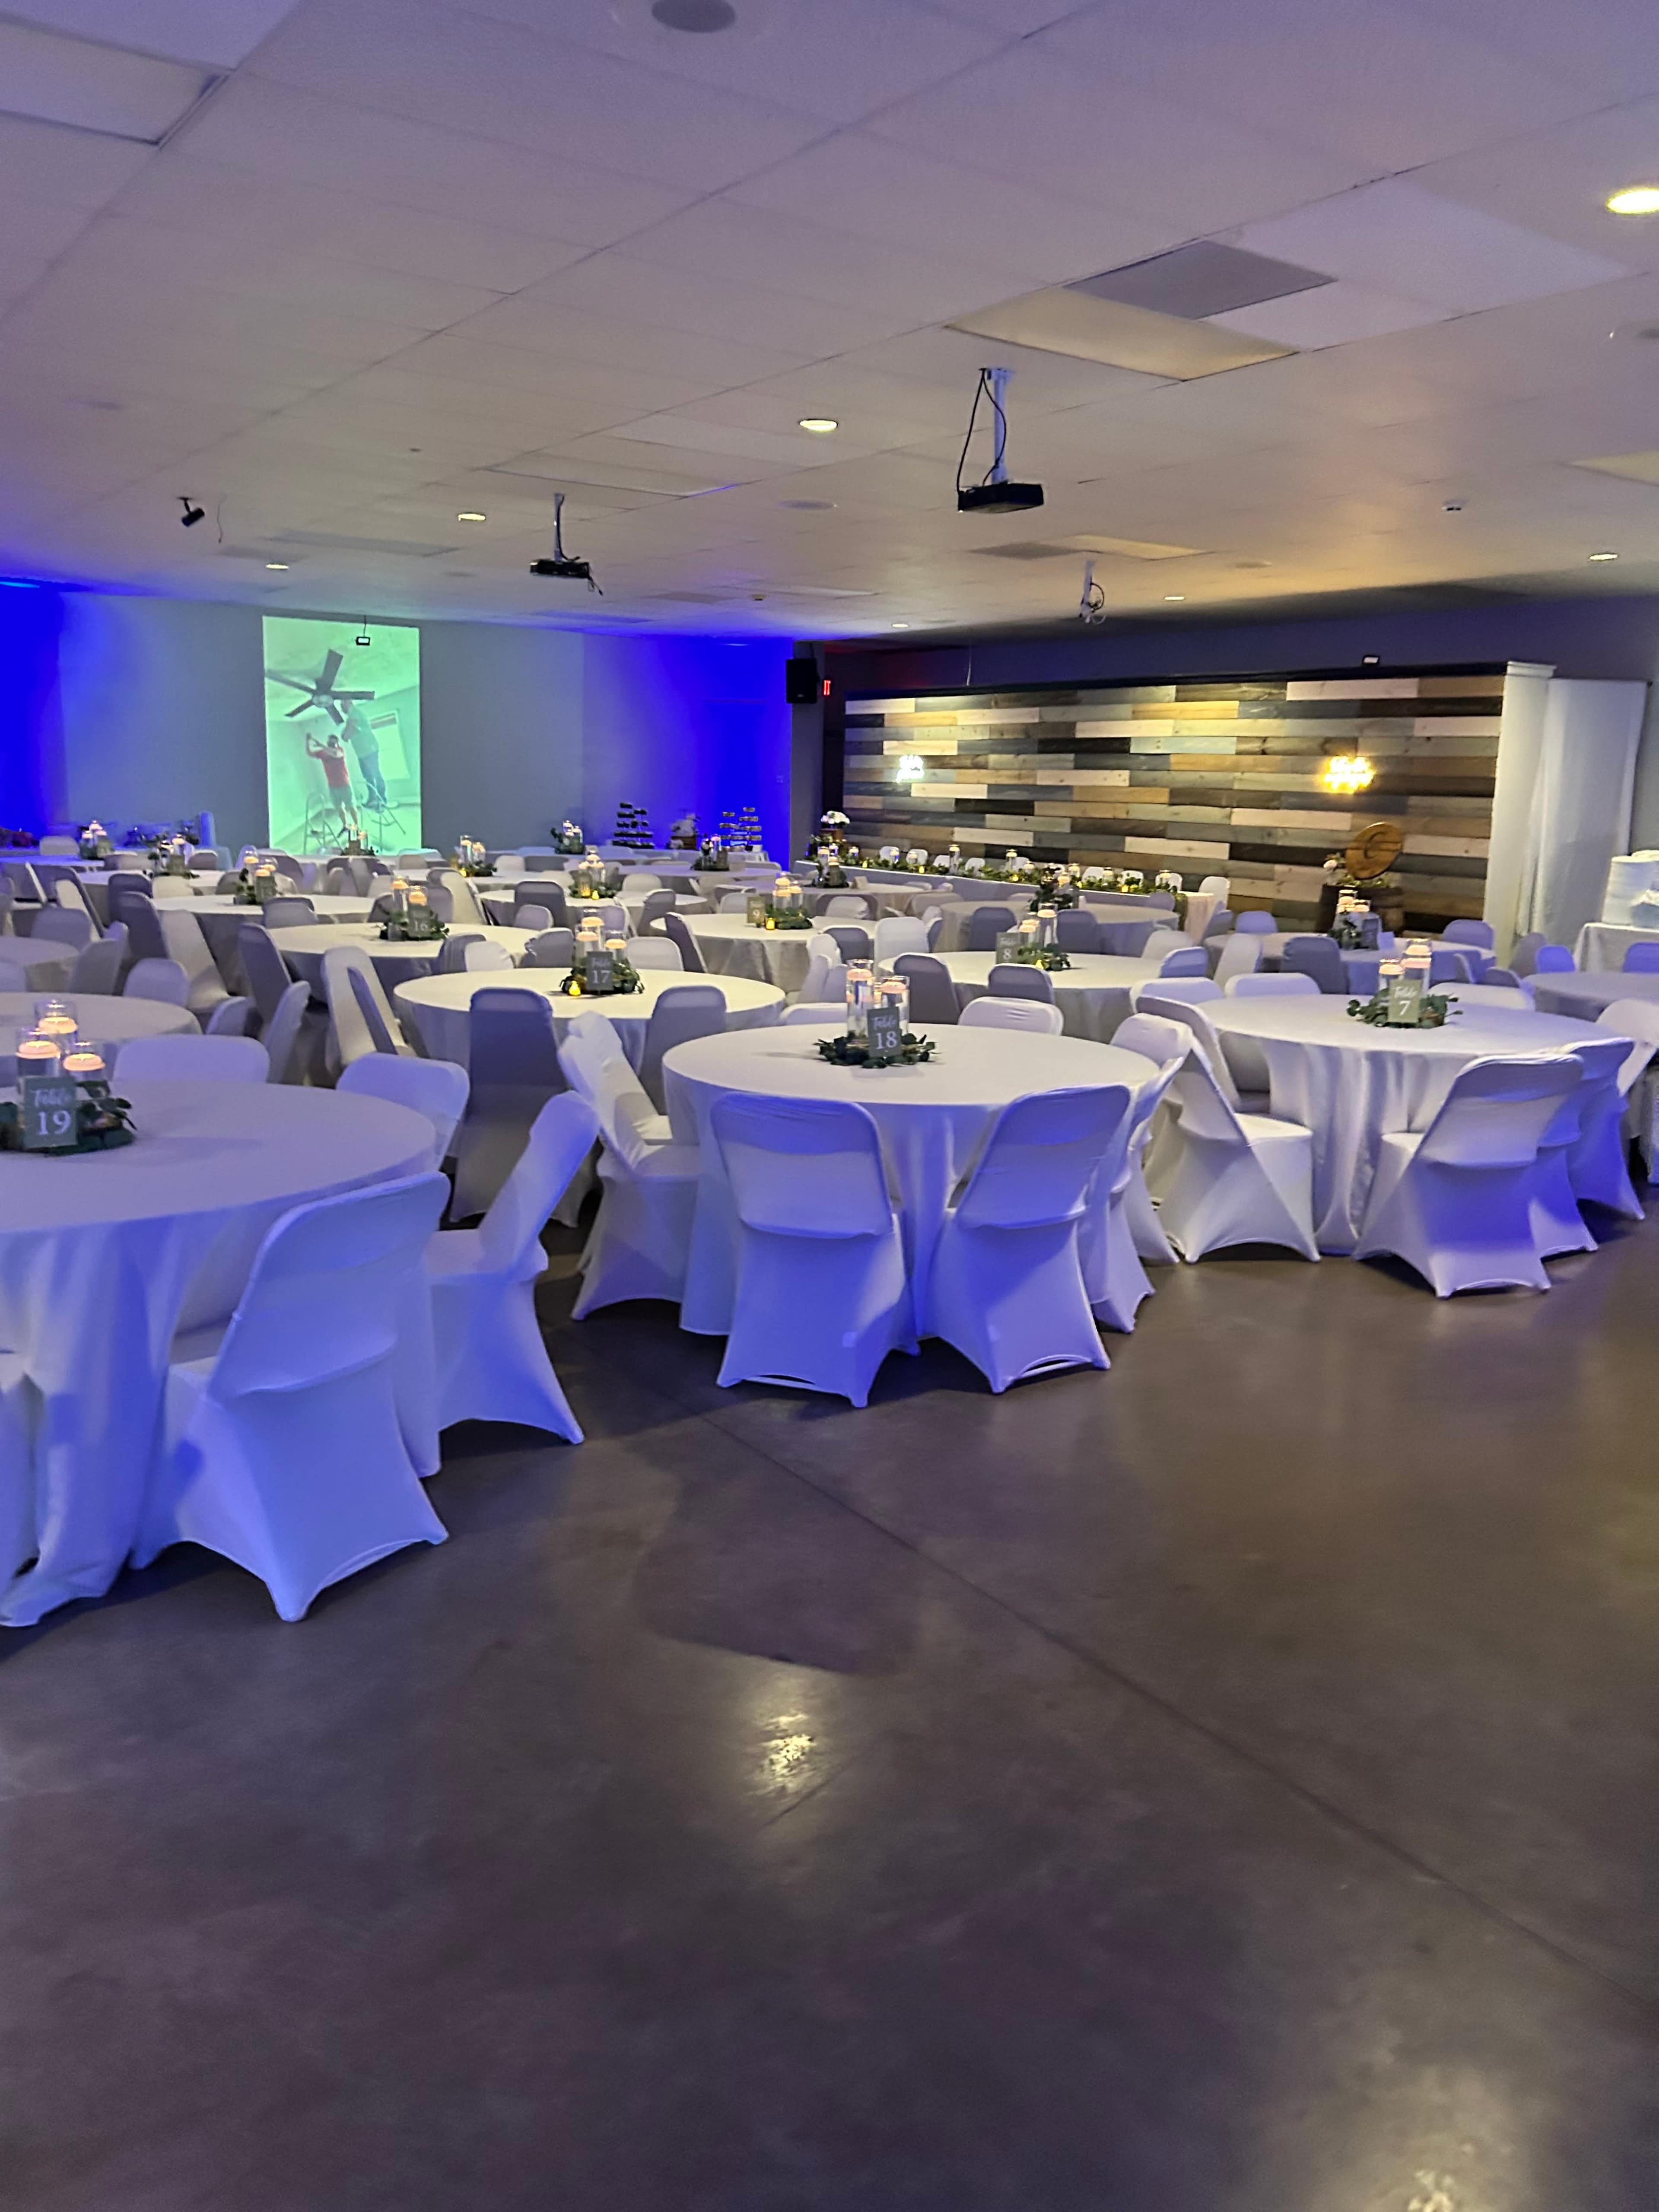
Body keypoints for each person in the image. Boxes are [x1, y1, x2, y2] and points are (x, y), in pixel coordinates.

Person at [306, 729, 359, 839]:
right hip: (332, 786)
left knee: (351, 807)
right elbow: (310, 753)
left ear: (337, 743)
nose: (332, 744)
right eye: (330, 742)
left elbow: (335, 754)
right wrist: (307, 742)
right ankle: (345, 826)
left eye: (334, 742)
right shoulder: (323, 753)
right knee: (339, 807)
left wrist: (320, 744)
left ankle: (357, 828)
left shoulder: (340, 751)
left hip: (344, 784)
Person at [341, 701, 387, 807]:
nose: (341, 708)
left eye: (342, 705)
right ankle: (373, 800)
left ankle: (382, 800)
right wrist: (346, 731)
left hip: (369, 750)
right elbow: (345, 735)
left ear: (348, 703)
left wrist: (347, 732)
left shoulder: (355, 713)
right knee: (368, 777)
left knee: (375, 775)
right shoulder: (350, 718)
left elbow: (347, 734)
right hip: (362, 753)